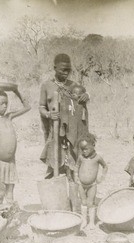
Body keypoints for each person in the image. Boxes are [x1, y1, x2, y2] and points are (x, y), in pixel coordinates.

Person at [39, 53, 90, 182]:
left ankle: (74, 190)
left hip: (72, 131)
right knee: (55, 162)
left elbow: (80, 102)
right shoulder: (46, 86)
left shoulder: (74, 86)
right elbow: (41, 107)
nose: (66, 72)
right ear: (55, 68)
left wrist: (87, 96)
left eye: (68, 69)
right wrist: (49, 114)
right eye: (63, 69)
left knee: (73, 164)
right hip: (55, 130)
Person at [0, 90, 31, 203]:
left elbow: (27, 107)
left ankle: (10, 212)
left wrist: (16, 91)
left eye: (6, 102)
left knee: (10, 190)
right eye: (1, 103)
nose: (5, 105)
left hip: (10, 161)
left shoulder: (9, 117)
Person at [75, 133, 108, 229]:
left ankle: (92, 223)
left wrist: (102, 177)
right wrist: (76, 176)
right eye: (82, 149)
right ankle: (84, 221)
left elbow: (105, 166)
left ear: (93, 146)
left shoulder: (97, 158)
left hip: (92, 185)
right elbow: (76, 166)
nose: (84, 151)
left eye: (86, 149)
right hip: (81, 184)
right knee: (83, 202)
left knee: (91, 202)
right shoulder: (81, 157)